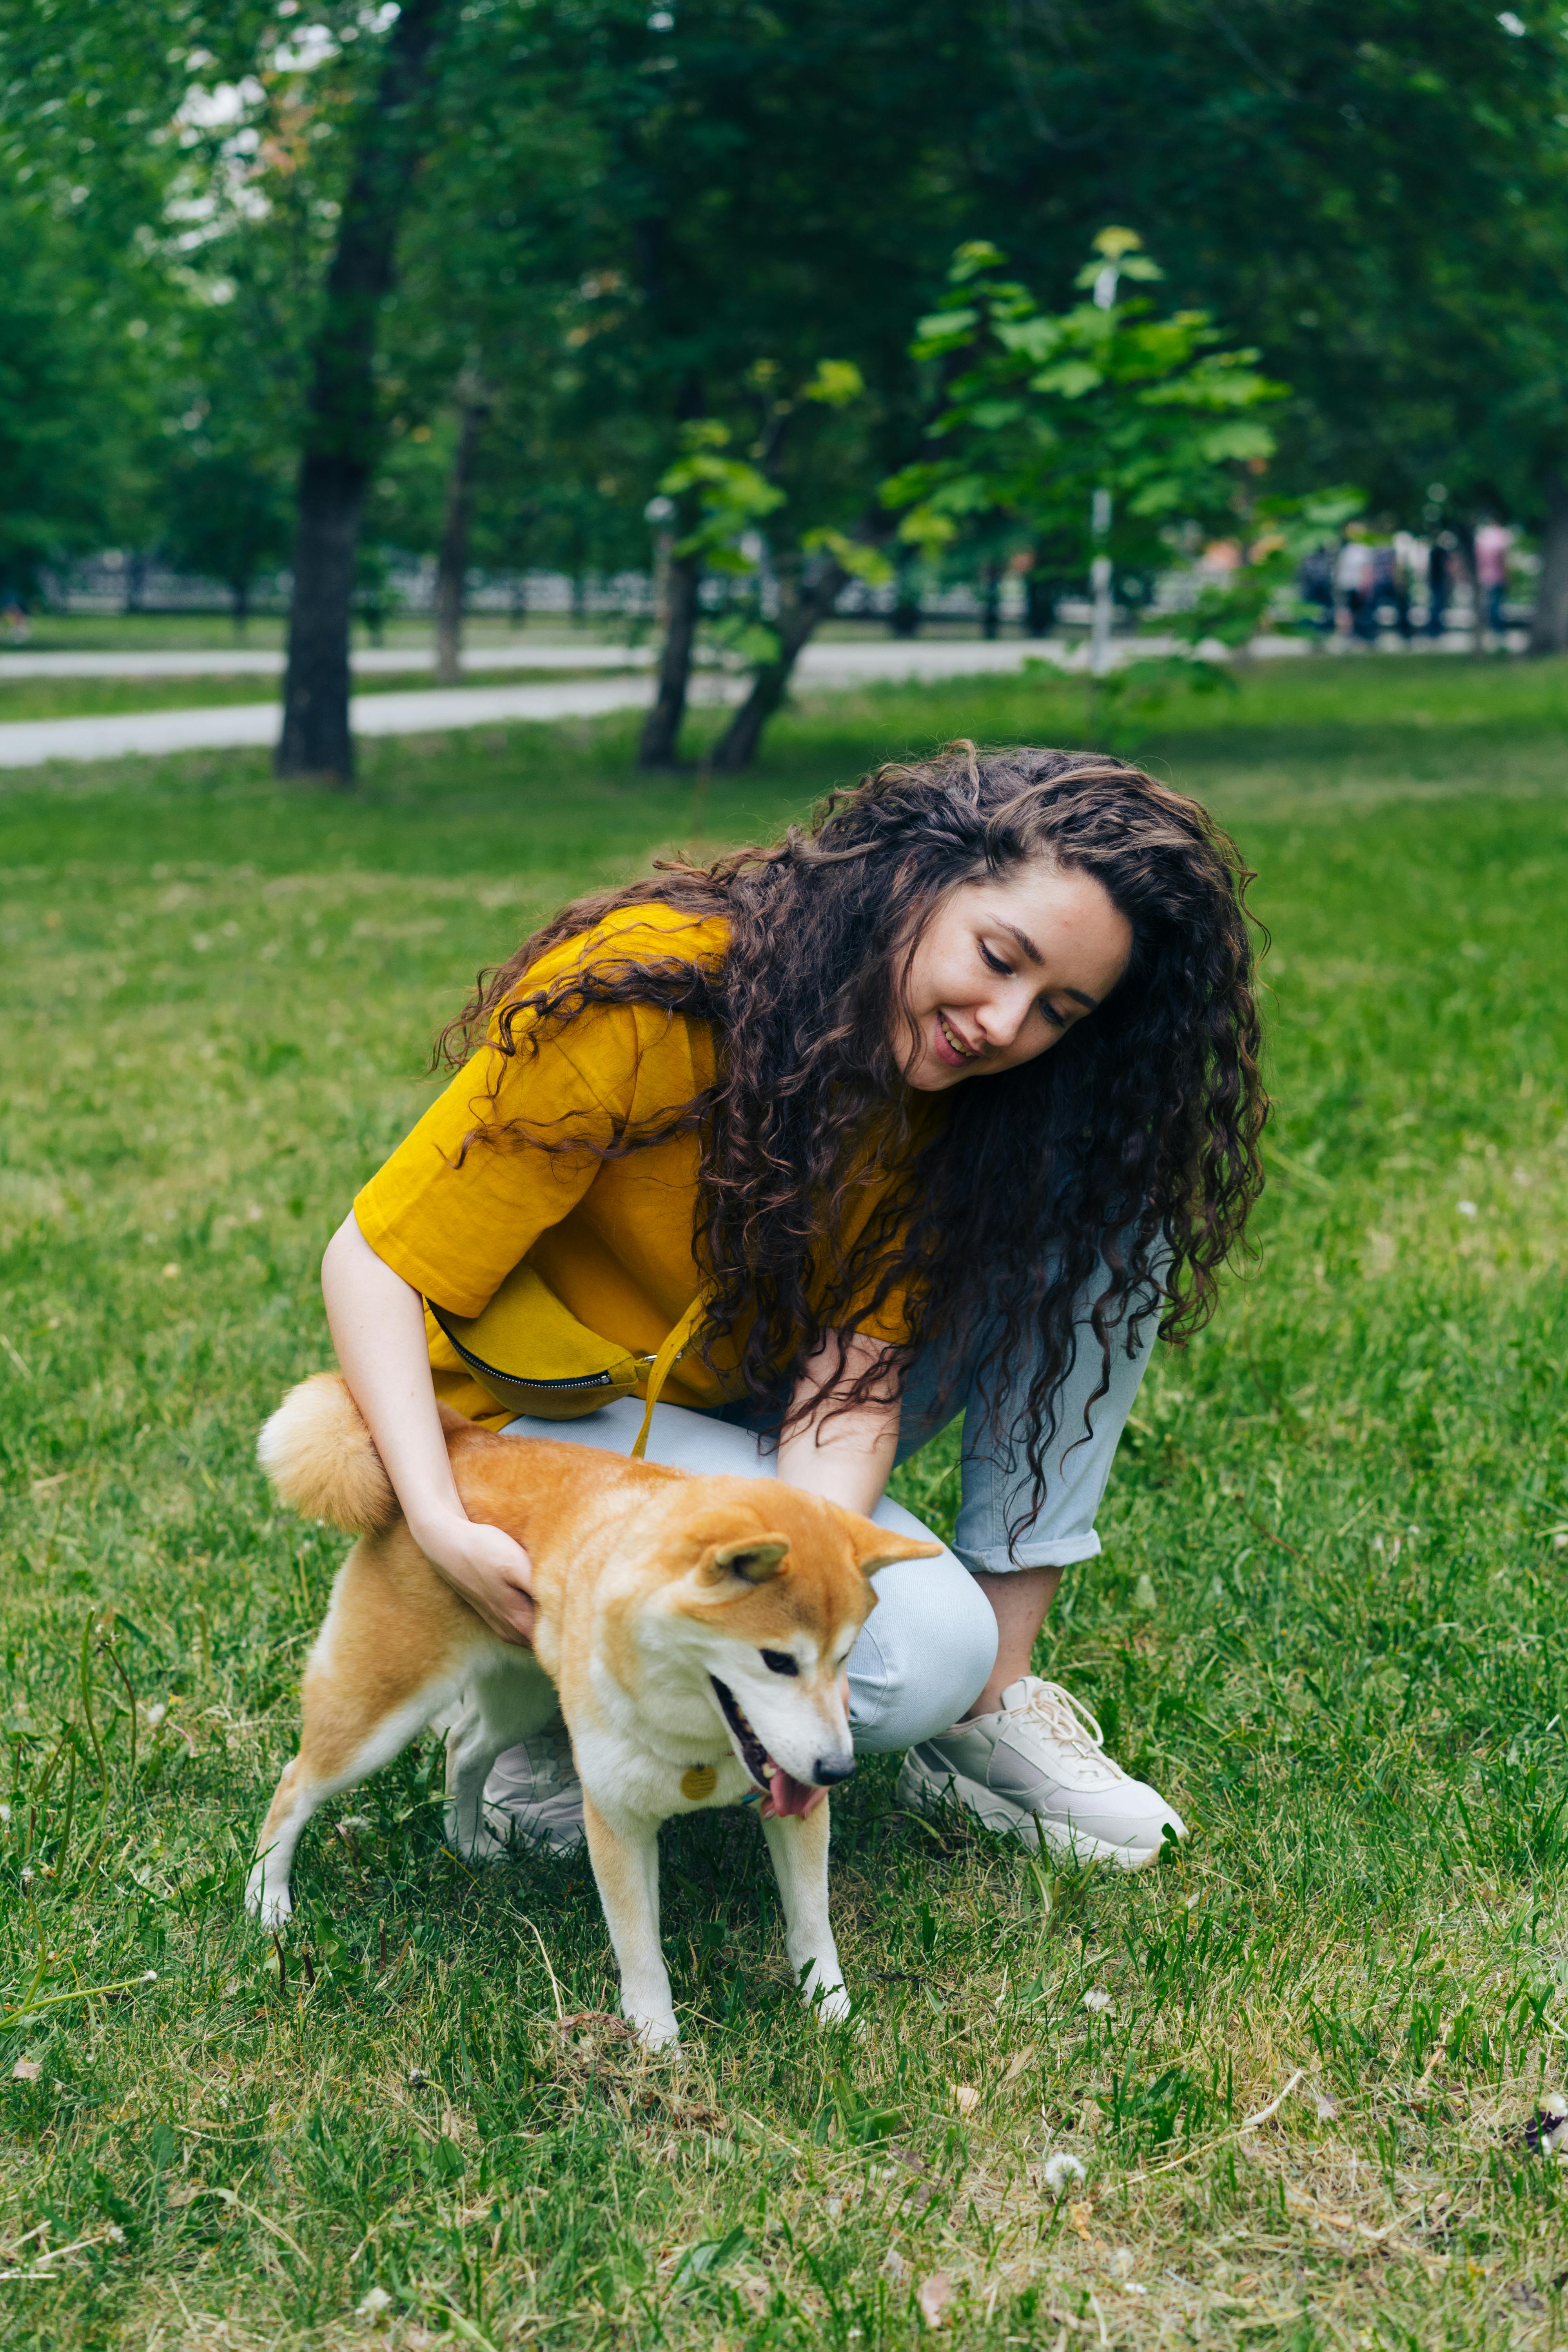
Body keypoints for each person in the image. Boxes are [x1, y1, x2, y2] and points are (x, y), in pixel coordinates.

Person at [321, 746, 1266, 1872]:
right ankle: (557, 1711)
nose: (1005, 1023)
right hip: (529, 1436)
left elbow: (853, 1392)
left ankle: (976, 1713)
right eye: (998, 958)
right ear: (913, 879)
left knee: (933, 1651)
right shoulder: (650, 991)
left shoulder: (943, 1099)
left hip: (720, 1420)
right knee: (901, 1652)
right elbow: (377, 1261)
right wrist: (439, 1521)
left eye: (1057, 1008)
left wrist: (808, 1604)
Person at [1474, 519, 1512, 637]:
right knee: (1496, 605)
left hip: (1485, 577)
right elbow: (1502, 558)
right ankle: (1498, 630)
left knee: (1492, 604)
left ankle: (1494, 629)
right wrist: (1507, 575)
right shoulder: (1500, 538)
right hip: (1497, 576)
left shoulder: (1483, 539)